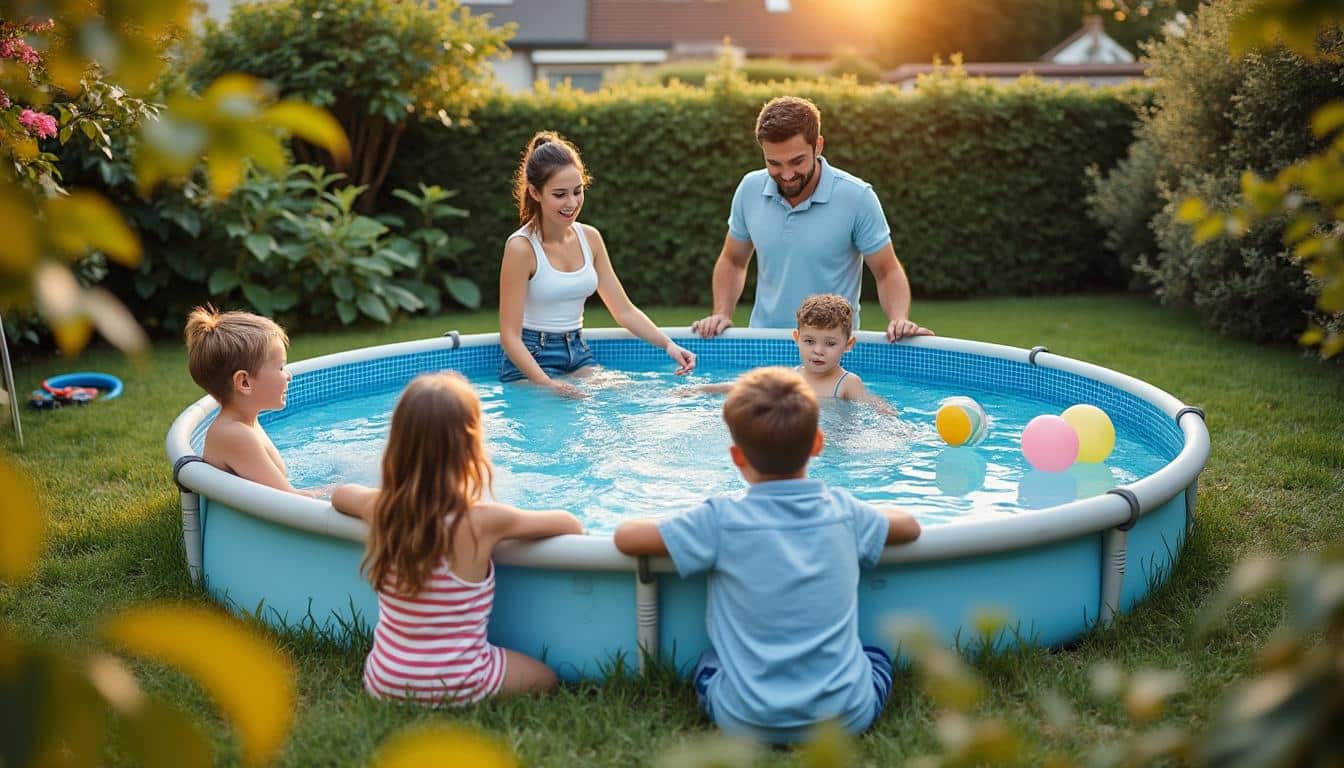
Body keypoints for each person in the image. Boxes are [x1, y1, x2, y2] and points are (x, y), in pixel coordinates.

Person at [613, 367, 922, 744]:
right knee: (874, 656)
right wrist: (862, 514)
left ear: (737, 457)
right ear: (818, 444)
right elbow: (909, 526)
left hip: (744, 719)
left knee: (710, 662)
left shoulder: (720, 520)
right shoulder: (843, 512)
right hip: (844, 718)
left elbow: (627, 537)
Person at [332, 372, 583, 705]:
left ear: (398, 445)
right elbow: (569, 523)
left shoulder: (382, 509)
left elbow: (341, 495)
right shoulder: (484, 520)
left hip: (383, 679)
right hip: (460, 681)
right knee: (546, 677)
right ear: (471, 449)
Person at [690, 96, 934, 343]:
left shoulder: (857, 197)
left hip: (829, 351)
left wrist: (898, 318)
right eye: (774, 163)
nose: (786, 175)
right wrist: (721, 313)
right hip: (764, 345)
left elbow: (887, 270)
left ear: (818, 146)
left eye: (797, 161)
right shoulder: (749, 189)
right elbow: (733, 260)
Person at [500, 131, 696, 397]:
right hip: (530, 362)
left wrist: (669, 346)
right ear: (535, 192)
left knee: (632, 397)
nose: (572, 203)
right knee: (559, 410)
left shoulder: (590, 238)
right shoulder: (521, 248)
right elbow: (510, 337)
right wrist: (548, 385)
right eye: (560, 194)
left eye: (577, 192)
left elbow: (623, 310)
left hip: (577, 354)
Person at [185, 306, 317, 495]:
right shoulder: (234, 434)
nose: (288, 376)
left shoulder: (246, 421)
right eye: (280, 368)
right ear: (244, 382)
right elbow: (288, 499)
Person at [686, 294, 895, 412]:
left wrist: (896, 425)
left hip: (836, 450)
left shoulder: (848, 383)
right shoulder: (792, 377)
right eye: (809, 341)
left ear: (848, 344)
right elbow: (744, 386)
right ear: (797, 338)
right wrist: (703, 389)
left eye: (830, 344)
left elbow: (874, 407)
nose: (818, 351)